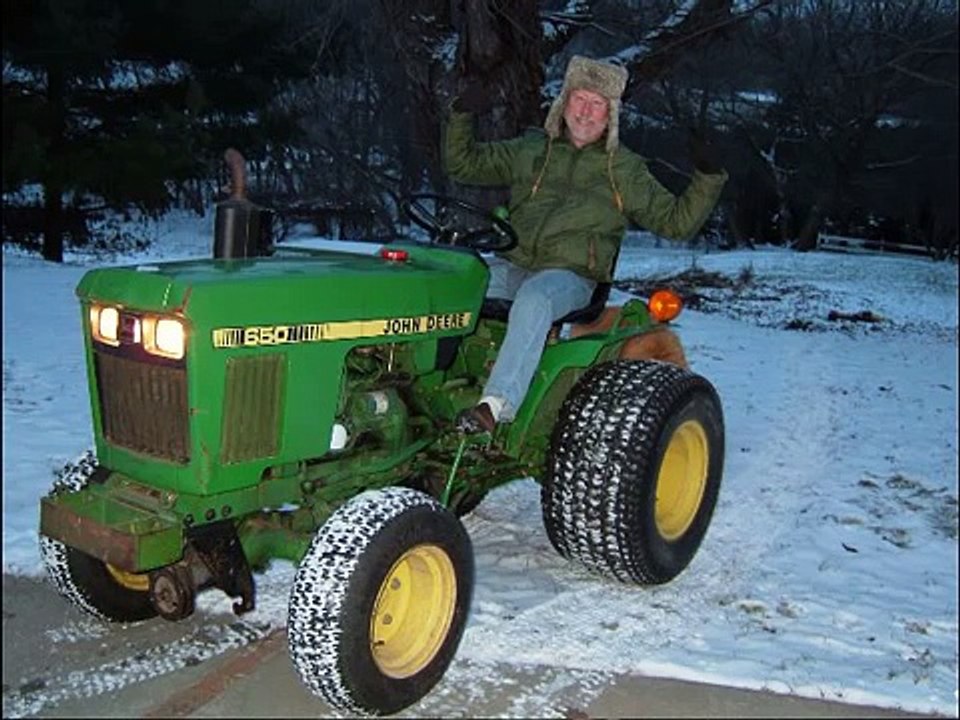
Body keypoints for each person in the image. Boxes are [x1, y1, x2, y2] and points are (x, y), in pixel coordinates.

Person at [444, 55, 728, 434]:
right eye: (580, 99)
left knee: (535, 299)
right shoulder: (532, 149)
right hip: (515, 263)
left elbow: (676, 222)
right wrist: (462, 115)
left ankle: (495, 406)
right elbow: (463, 164)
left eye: (597, 104)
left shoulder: (623, 169)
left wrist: (708, 177)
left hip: (572, 277)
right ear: (564, 102)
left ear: (611, 115)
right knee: (450, 285)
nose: (585, 112)